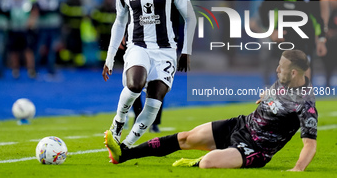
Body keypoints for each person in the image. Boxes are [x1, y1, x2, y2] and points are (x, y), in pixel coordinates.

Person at [104, 50, 317, 171]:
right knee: (186, 138)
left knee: (207, 163)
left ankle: (198, 162)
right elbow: (276, 95)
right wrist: (267, 96)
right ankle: (124, 154)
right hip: (240, 125)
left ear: (295, 72)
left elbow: (310, 145)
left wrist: (298, 169)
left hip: (255, 149)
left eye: (282, 67)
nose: (277, 70)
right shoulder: (285, 80)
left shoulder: (305, 104)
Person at [102, 0, 196, 149]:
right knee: (135, 84)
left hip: (166, 50)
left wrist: (186, 50)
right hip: (138, 46)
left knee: (155, 101)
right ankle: (118, 122)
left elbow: (190, 17)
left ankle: (126, 146)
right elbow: (119, 23)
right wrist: (109, 58)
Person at [124, 0, 182, 133]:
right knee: (136, 80)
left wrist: (179, 39)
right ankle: (137, 116)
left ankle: (154, 121)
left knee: (159, 78)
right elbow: (127, 5)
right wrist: (124, 33)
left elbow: (177, 9)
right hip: (138, 36)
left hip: (165, 38)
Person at [259, 0, 327, 79]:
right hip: (285, 38)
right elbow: (263, 9)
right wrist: (271, 31)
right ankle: (284, 96)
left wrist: (321, 39)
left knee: (305, 70)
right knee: (285, 74)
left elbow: (318, 18)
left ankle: (304, 96)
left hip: (305, 39)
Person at [2, 0, 37, 79]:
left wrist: (31, 22)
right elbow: (4, 14)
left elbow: (34, 12)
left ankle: (31, 70)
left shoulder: (26, 1)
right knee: (14, 51)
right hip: (13, 29)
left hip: (24, 29)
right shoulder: (8, 1)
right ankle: (15, 71)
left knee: (28, 50)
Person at [31, 0, 62, 76]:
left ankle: (51, 70)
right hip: (42, 28)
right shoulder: (38, 0)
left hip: (53, 28)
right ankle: (34, 70)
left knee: (52, 50)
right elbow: (42, 12)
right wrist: (48, 11)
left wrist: (46, 11)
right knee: (39, 49)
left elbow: (56, 11)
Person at [320, 0, 337, 87]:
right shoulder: (326, 12)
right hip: (329, 45)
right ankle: (328, 84)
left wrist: (333, 32)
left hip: (335, 43)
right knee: (328, 66)